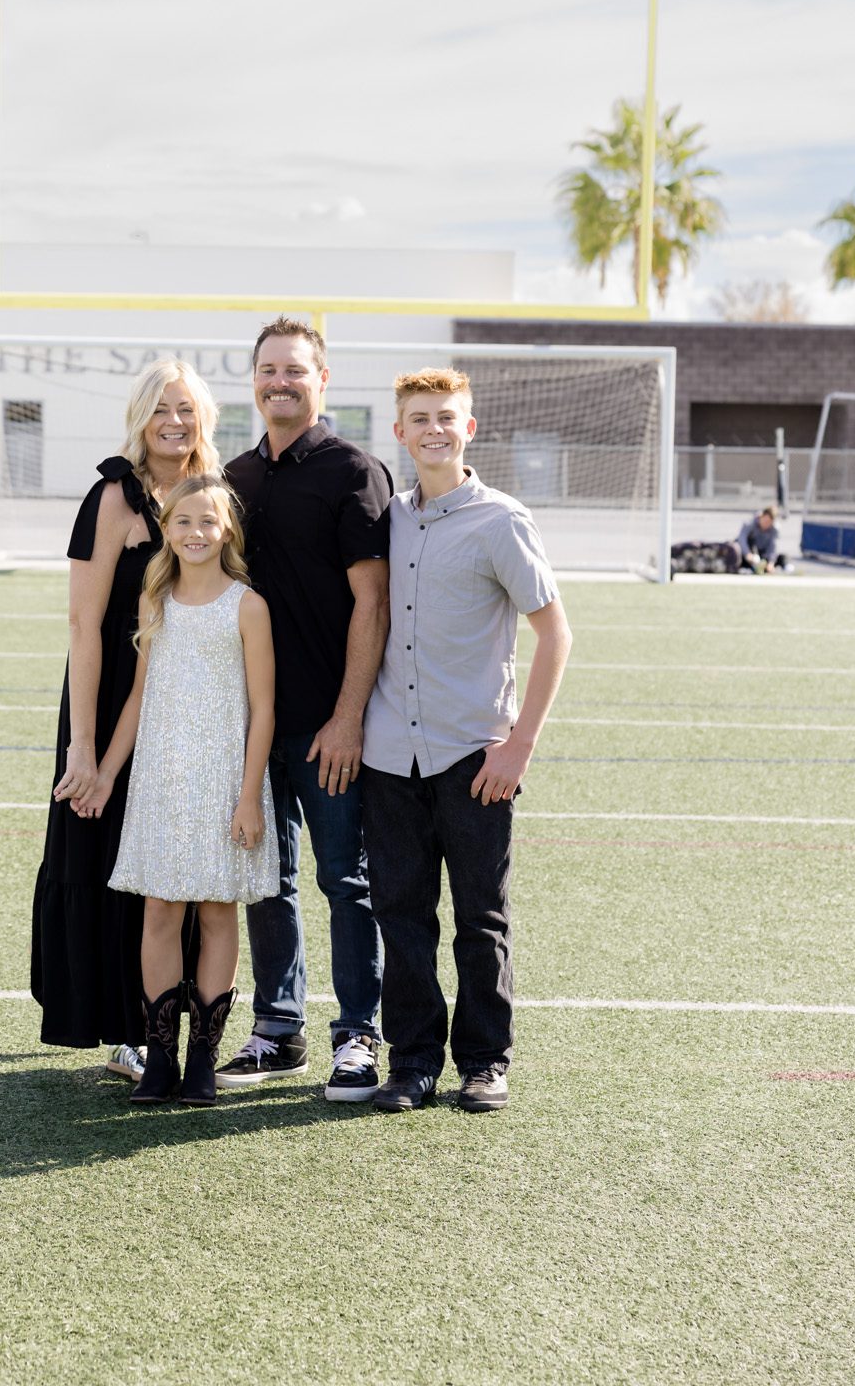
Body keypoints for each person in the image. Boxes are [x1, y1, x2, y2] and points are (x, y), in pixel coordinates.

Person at [362, 369, 573, 1114]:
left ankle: (484, 1061)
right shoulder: (387, 518)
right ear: (399, 432)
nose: (434, 429)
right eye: (419, 418)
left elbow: (555, 634)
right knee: (400, 918)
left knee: (480, 919)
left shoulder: (502, 520)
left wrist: (518, 747)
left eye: (446, 417)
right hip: (389, 754)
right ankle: (412, 1062)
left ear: (469, 428)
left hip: (474, 756)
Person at [218, 315, 392, 1104]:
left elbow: (372, 603)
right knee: (266, 880)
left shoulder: (353, 470)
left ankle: (357, 1036)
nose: (279, 382)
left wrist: (346, 717)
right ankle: (277, 1030)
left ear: (321, 381)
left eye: (294, 370)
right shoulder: (233, 478)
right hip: (254, 726)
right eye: (267, 370)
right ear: (252, 381)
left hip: (330, 728)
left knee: (345, 881)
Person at [30, 357, 219, 1076]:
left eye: (186, 408)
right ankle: (126, 1031)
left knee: (178, 863)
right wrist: (83, 747)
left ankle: (174, 1026)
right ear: (139, 418)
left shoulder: (214, 491)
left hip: (190, 700)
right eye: (160, 409)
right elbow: (83, 625)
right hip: (111, 696)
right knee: (109, 851)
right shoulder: (112, 496)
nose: (174, 422)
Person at [70, 475, 279, 1105]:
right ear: (166, 530)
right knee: (160, 910)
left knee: (216, 911)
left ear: (227, 530)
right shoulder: (154, 600)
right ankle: (160, 1058)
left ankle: (201, 1061)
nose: (195, 533)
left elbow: (263, 709)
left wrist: (249, 797)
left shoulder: (247, 606)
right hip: (162, 779)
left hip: (224, 781)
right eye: (182, 521)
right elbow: (140, 695)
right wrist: (107, 772)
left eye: (208, 521)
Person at [733, 506, 785, 573]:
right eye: (766, 521)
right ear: (761, 516)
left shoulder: (774, 529)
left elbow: (773, 546)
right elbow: (742, 539)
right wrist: (747, 554)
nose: (766, 524)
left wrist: (771, 562)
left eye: (769, 523)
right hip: (748, 552)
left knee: (782, 558)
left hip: (761, 554)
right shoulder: (750, 523)